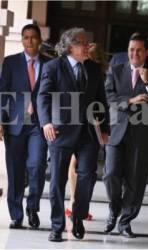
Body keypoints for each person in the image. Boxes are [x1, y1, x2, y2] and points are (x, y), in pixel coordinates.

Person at [37, 27, 110, 242]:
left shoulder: (94, 69)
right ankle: (57, 226)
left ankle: (78, 217)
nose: (88, 46)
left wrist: (104, 129)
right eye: (83, 43)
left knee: (87, 175)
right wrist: (46, 122)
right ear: (70, 47)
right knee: (58, 180)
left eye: (87, 42)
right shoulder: (53, 67)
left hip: (87, 132)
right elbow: (43, 96)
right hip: (60, 131)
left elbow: (101, 100)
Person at [103, 33, 148, 238]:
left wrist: (147, 84)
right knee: (110, 174)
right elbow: (109, 96)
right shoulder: (116, 70)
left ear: (145, 52)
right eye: (131, 50)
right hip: (117, 131)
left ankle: (125, 222)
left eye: (138, 50)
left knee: (135, 180)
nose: (134, 54)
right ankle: (114, 209)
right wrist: (130, 101)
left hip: (142, 135)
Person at [0, 24, 48, 229]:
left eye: (34, 37)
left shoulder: (50, 64)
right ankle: (16, 213)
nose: (30, 41)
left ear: (40, 40)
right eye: (26, 37)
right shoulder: (11, 62)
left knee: (36, 166)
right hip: (15, 124)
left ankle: (32, 207)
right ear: (22, 40)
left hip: (39, 124)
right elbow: (3, 92)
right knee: (15, 170)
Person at [65, 42, 109, 221]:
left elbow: (104, 100)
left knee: (88, 170)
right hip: (76, 125)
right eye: (88, 56)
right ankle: (73, 202)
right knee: (74, 163)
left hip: (95, 125)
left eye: (94, 57)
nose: (90, 60)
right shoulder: (77, 71)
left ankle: (80, 204)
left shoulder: (101, 74)